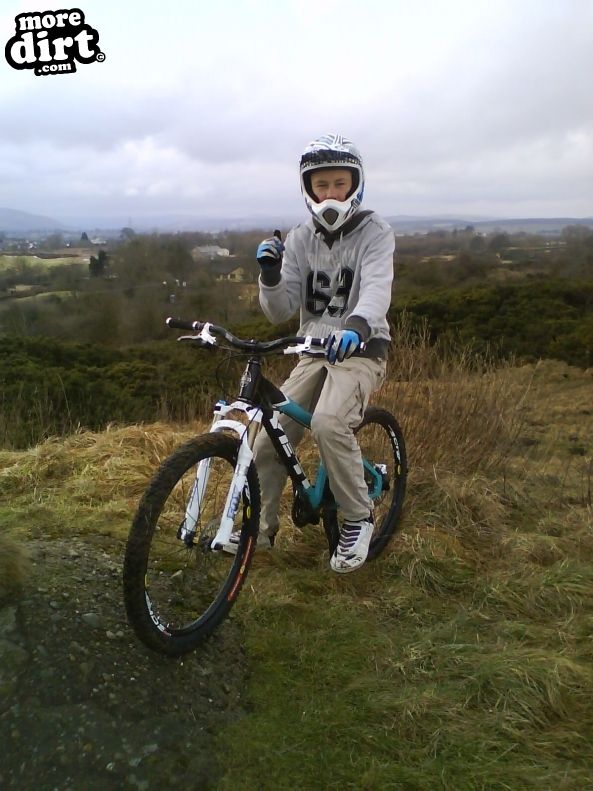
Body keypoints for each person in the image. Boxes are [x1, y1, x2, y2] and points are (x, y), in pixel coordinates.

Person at [239, 133, 394, 573]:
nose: (331, 194)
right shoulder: (300, 238)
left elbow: (377, 288)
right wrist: (270, 276)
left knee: (328, 422)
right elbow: (279, 310)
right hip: (312, 350)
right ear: (308, 187)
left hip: (361, 349)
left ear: (356, 184)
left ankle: (358, 518)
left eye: (340, 184)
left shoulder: (375, 232)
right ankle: (257, 533)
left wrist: (357, 327)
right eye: (321, 184)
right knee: (270, 434)